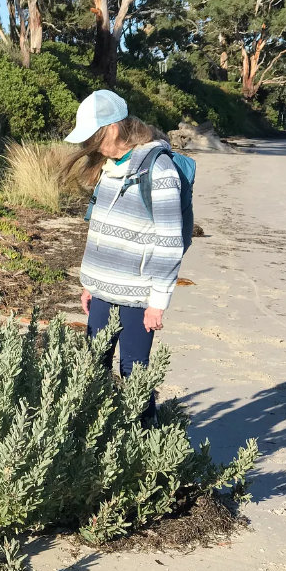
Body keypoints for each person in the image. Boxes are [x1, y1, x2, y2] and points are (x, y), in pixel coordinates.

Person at [61, 90, 185, 423]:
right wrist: (90, 284)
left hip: (138, 298)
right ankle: (94, 446)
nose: (88, 144)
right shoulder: (109, 168)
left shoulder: (158, 170)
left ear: (113, 128)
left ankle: (145, 451)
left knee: (135, 377)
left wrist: (158, 300)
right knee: (93, 370)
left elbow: (170, 240)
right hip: (102, 292)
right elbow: (99, 231)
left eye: (93, 134)